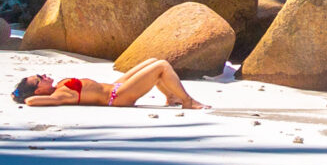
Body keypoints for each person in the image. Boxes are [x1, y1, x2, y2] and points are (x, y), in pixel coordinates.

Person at [12, 58, 206, 109]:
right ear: (39, 90)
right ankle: (188, 101)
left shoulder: (57, 88)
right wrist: (24, 97)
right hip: (117, 97)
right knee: (162, 66)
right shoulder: (58, 96)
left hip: (115, 87)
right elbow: (31, 102)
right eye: (39, 78)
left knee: (152, 60)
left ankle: (170, 96)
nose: (43, 75)